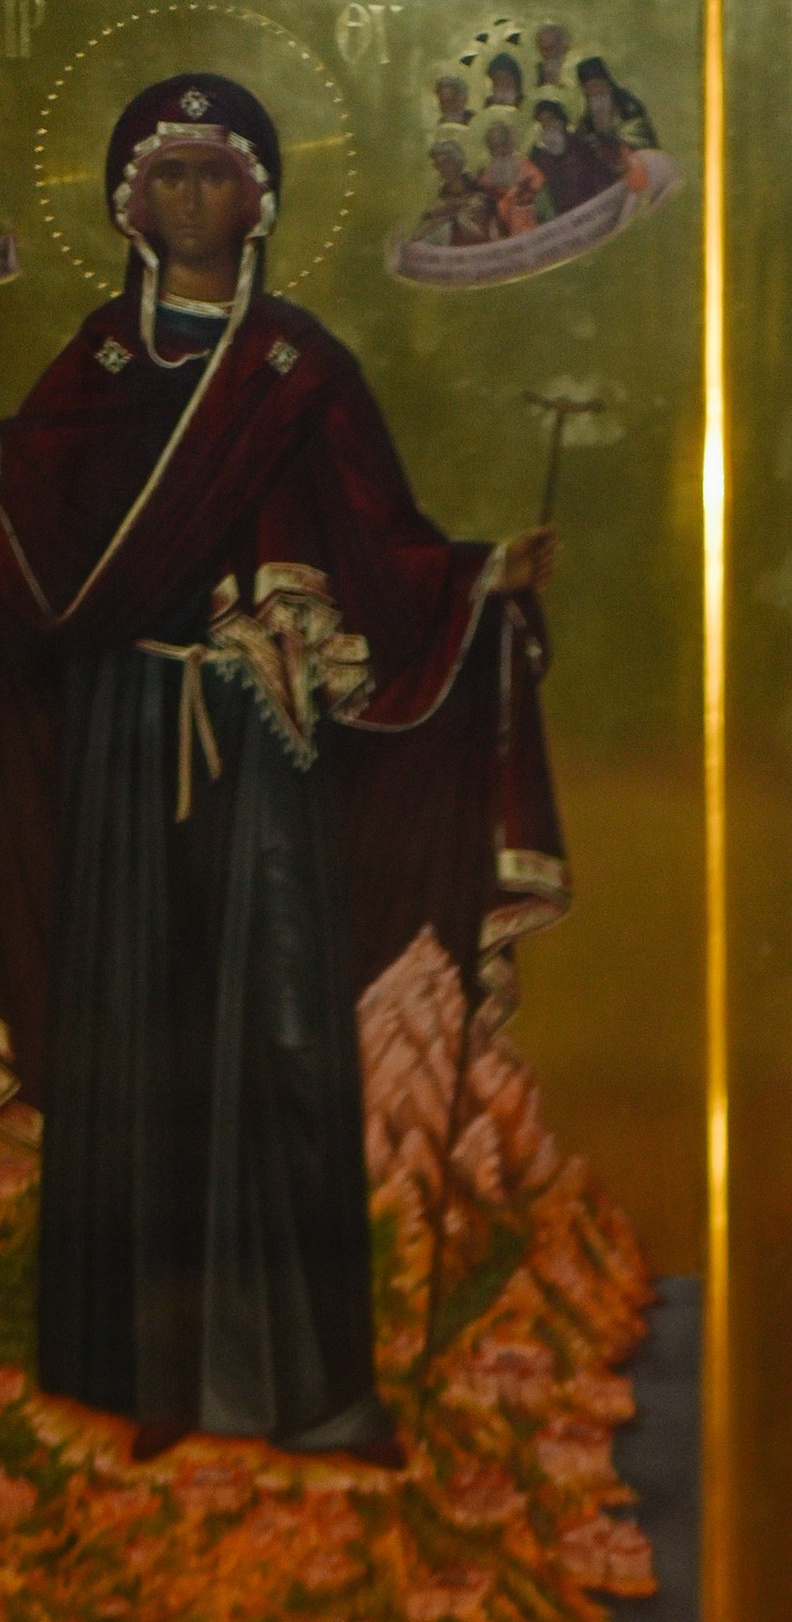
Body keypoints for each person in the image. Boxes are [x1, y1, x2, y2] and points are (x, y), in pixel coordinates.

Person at [0, 77, 568, 1458]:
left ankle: (300, 1387)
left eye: (217, 172)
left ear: (264, 198)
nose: (192, 197)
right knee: (135, 1040)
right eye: (167, 175)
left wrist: (481, 580)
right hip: (127, 751)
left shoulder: (299, 370)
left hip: (265, 748)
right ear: (128, 205)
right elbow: (31, 547)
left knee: (280, 1044)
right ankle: (124, 1382)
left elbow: (385, 550)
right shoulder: (95, 371)